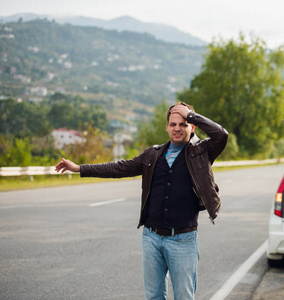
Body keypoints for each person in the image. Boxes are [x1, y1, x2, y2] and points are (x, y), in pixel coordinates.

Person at [55, 102, 228, 300]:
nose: (177, 128)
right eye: (173, 124)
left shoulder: (201, 151)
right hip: (151, 238)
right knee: (153, 297)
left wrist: (191, 114)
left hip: (183, 239)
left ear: (192, 126)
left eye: (183, 123)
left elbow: (221, 135)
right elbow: (118, 168)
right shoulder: (152, 155)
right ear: (167, 127)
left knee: (184, 297)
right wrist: (79, 168)